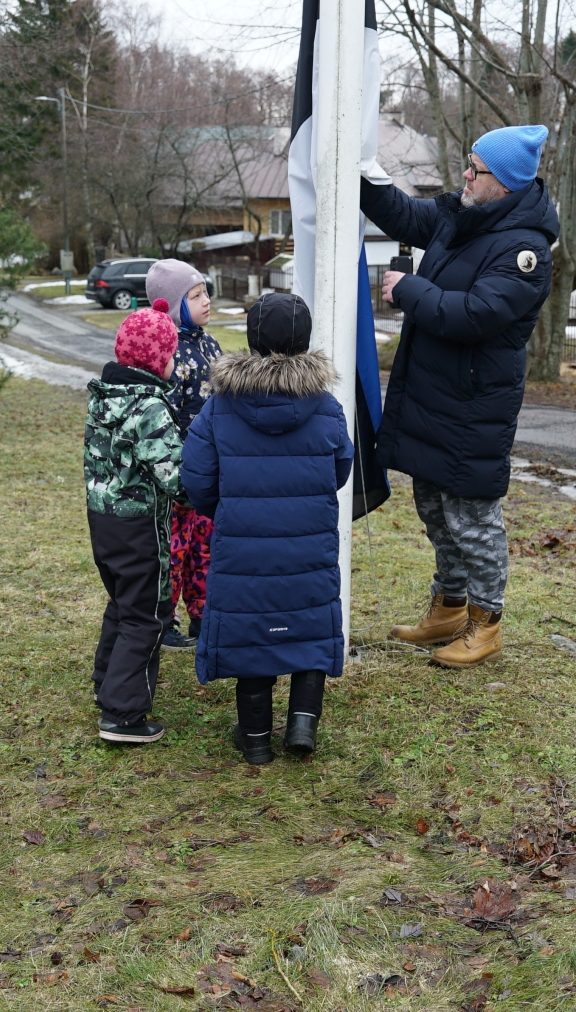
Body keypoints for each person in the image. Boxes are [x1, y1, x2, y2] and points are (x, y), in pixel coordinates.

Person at [361, 124, 558, 669]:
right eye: (468, 164)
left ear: (506, 183)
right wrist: (365, 176)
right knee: (433, 508)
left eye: (476, 169)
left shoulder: (525, 250)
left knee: (472, 518)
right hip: (434, 396)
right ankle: (448, 607)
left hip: (473, 406)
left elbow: (476, 315)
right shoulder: (465, 216)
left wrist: (409, 289)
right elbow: (405, 216)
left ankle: (485, 624)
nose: (465, 176)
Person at [181, 293, 353, 764]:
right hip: (308, 541)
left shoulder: (221, 407)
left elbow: (197, 478)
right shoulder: (325, 406)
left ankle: (256, 739)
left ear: (253, 339)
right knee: (308, 621)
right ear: (305, 340)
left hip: (244, 544)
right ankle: (302, 724)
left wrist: (227, 511)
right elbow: (340, 467)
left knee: (251, 626)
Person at [84, 299, 186, 743]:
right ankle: (123, 714)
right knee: (149, 613)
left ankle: (107, 681)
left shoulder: (105, 397)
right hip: (140, 525)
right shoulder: (149, 408)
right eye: (172, 355)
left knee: (124, 602)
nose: (175, 362)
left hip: (103, 520)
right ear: (156, 360)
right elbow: (176, 477)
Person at [143, 259, 224, 651]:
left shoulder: (210, 344)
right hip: (178, 473)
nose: (206, 301)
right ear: (174, 305)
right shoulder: (168, 352)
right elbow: (164, 415)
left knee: (204, 547)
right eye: (195, 296)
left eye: (205, 292)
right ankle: (165, 619)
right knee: (173, 550)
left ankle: (203, 613)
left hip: (210, 469)